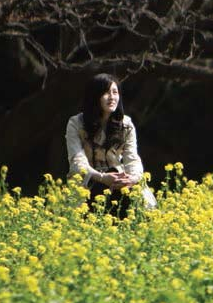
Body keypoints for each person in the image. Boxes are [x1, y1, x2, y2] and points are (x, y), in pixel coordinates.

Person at [65, 73, 157, 218]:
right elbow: (77, 161)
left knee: (140, 209)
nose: (112, 97)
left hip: (118, 179)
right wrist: (101, 177)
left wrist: (132, 178)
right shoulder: (76, 123)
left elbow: (132, 158)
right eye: (106, 93)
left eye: (115, 92)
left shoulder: (126, 124)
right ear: (94, 96)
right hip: (88, 180)